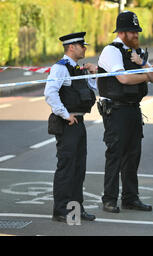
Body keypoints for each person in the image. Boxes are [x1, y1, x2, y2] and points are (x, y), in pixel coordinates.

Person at [97, 11, 153, 213]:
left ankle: (131, 198)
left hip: (133, 110)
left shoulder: (136, 52)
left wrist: (142, 64)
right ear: (123, 32)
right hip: (116, 111)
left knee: (133, 155)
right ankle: (109, 199)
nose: (137, 36)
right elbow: (123, 79)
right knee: (115, 155)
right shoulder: (111, 51)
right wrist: (144, 75)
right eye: (134, 33)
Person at [44, 32, 97, 223]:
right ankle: (60, 210)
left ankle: (75, 209)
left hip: (78, 121)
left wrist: (93, 74)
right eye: (82, 45)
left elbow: (91, 89)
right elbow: (50, 93)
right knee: (66, 167)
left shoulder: (77, 68)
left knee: (78, 168)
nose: (85, 48)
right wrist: (65, 114)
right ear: (72, 47)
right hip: (68, 123)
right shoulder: (60, 68)